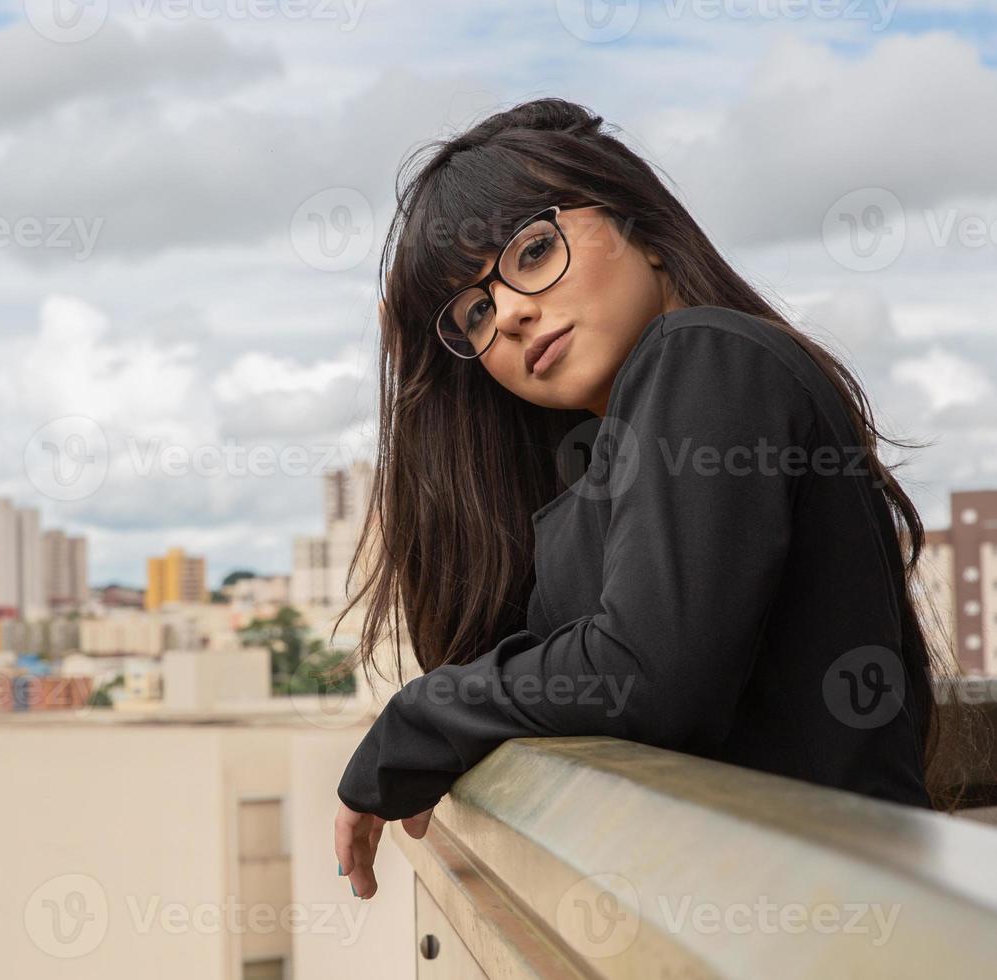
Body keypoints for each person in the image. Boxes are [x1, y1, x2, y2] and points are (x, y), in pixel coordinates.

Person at [328, 97, 963, 902]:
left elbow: (648, 676)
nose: (514, 313)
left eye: (530, 253)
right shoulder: (604, 464)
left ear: (643, 231)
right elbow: (494, 645)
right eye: (474, 313)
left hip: (832, 924)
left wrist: (421, 717)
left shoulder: (705, 355)